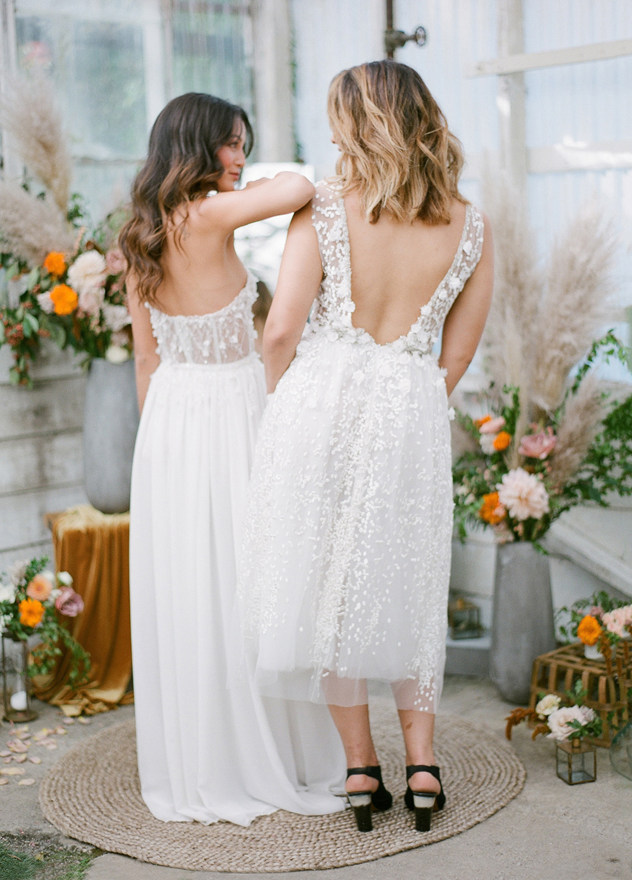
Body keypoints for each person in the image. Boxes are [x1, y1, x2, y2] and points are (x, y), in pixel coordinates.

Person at [238, 61, 494, 833]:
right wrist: (409, 403)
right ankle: (424, 768)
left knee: (330, 588)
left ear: (358, 124)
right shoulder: (471, 224)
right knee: (407, 582)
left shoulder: (323, 207)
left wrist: (279, 403)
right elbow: (457, 353)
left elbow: (281, 330)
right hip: (410, 406)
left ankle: (359, 770)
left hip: (320, 403)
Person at [120, 92, 345, 826]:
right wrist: (259, 183)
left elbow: (145, 358)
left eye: (245, 144)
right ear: (196, 145)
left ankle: (204, 753)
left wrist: (157, 449)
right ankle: (265, 750)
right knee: (252, 571)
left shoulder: (141, 236)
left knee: (193, 580)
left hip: (170, 421)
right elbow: (303, 186)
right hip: (232, 406)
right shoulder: (211, 214)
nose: (241, 158)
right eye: (232, 144)